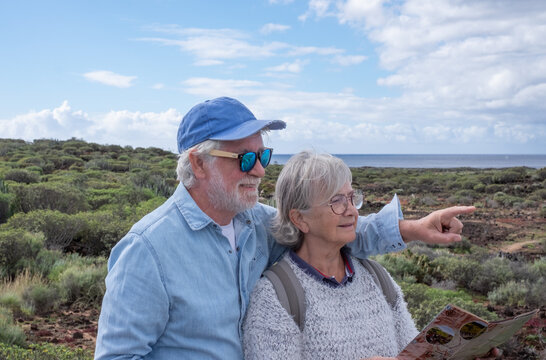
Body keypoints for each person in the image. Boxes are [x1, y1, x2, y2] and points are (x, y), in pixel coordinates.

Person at [94, 96, 476, 359]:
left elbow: (331, 230)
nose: (260, 170)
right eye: (245, 159)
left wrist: (411, 228)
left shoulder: (256, 223)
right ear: (197, 163)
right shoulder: (148, 249)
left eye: (264, 155)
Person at [242, 150, 419, 359]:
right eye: (336, 201)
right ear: (299, 219)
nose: (352, 211)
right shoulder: (274, 297)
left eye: (352, 198)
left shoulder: (378, 278)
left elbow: (415, 353)